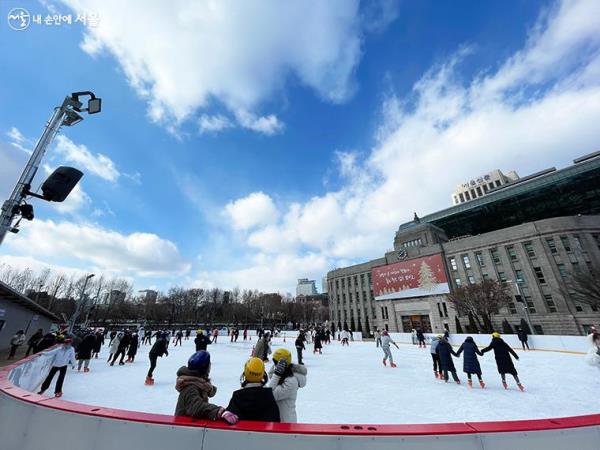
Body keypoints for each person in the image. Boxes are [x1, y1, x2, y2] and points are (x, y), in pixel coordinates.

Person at [174, 350, 238, 424]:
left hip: (190, 426)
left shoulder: (198, 383)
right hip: (183, 429)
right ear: (205, 368)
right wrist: (219, 411)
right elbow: (197, 407)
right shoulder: (190, 387)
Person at [226, 357, 280, 421]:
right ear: (262, 374)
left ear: (245, 373)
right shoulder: (269, 397)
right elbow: (276, 420)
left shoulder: (237, 397)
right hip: (264, 431)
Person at [268, 348, 307, 423]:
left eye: (276, 363)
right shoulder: (283, 376)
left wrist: (276, 375)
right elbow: (270, 375)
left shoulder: (291, 381)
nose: (275, 366)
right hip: (279, 420)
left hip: (286, 423)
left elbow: (271, 395)